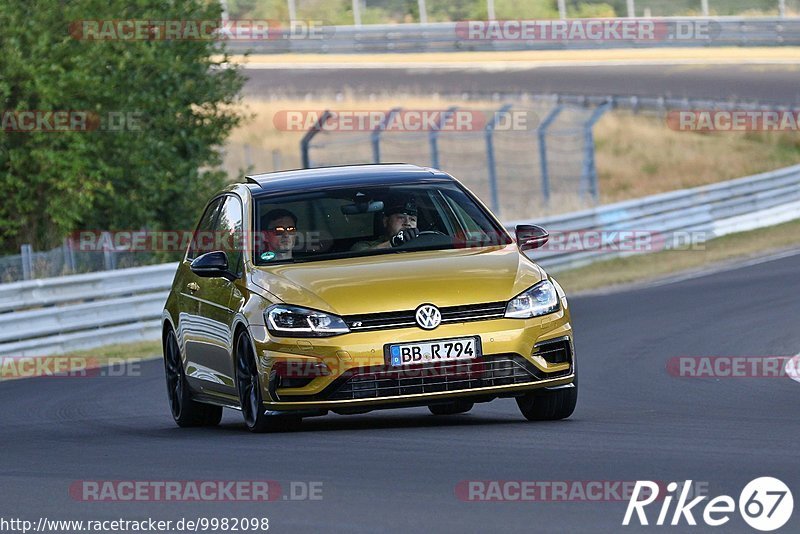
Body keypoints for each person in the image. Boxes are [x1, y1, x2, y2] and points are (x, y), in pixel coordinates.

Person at [352, 196, 420, 251]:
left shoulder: (424, 244)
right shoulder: (364, 245)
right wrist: (394, 242)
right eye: (401, 218)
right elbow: (362, 258)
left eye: (412, 219)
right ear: (385, 221)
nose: (407, 223)